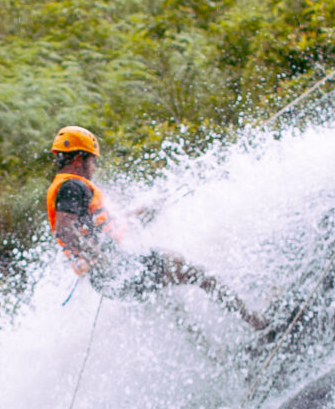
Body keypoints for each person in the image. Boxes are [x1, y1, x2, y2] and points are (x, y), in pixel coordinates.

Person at [46, 125, 267, 330]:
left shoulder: (66, 188)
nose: (94, 168)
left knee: (171, 305)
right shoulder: (72, 186)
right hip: (119, 270)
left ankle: (216, 355)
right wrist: (105, 262)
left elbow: (100, 227)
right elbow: (65, 230)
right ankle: (257, 322)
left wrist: (142, 213)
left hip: (109, 279)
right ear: (77, 159)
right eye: (92, 161)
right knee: (197, 273)